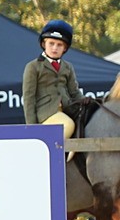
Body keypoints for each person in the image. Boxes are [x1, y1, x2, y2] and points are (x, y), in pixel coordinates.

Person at [23, 19, 89, 158]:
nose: (54, 48)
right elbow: (29, 98)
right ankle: (47, 156)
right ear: (43, 44)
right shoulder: (33, 67)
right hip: (46, 115)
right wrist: (32, 129)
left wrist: (85, 100)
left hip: (67, 110)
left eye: (59, 45)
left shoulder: (68, 67)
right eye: (51, 43)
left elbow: (74, 91)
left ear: (65, 48)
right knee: (68, 124)